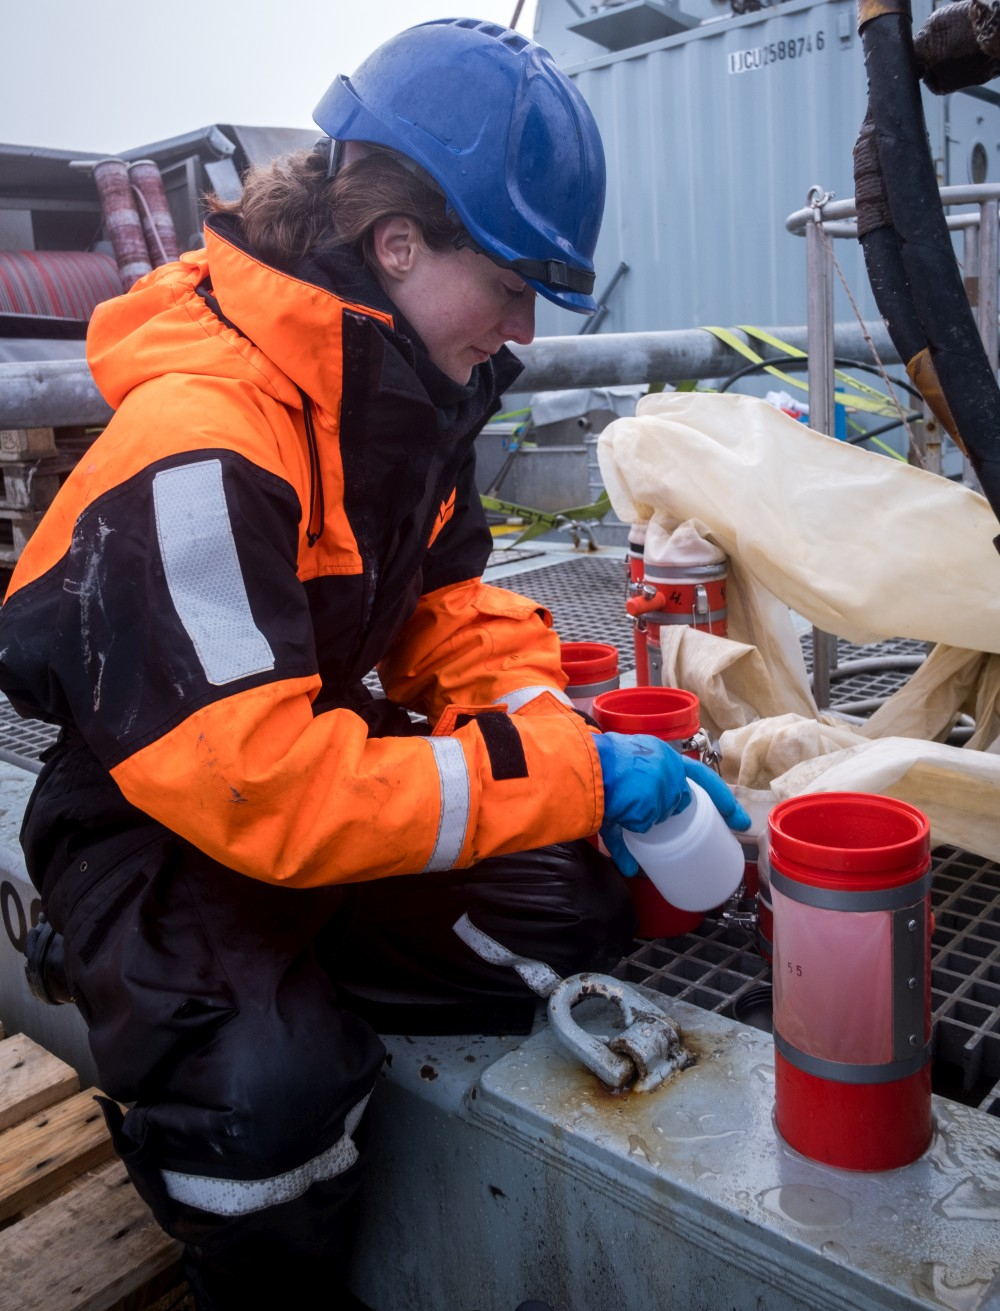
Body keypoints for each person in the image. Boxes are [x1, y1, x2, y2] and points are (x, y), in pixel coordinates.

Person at [0, 18, 749, 1310]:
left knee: (569, 904)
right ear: (396, 244)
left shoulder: (393, 399)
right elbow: (258, 788)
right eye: (510, 281)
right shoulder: (203, 442)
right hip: (160, 820)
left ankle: (258, 976)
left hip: (307, 771)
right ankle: (217, 1137)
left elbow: (452, 610)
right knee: (269, 1095)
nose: (520, 328)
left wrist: (569, 750)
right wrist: (576, 778)